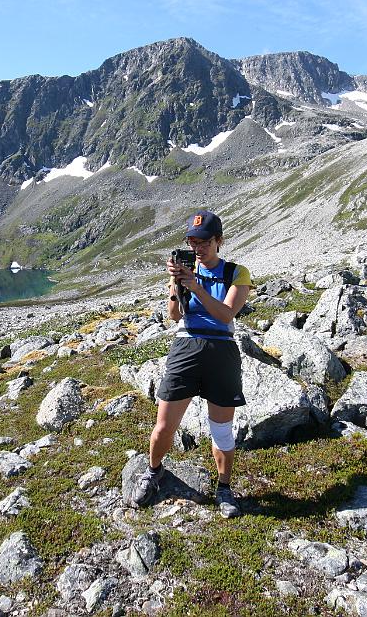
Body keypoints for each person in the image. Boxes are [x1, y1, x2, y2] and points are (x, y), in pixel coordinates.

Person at [131, 210, 253, 518]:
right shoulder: (184, 272)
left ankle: (224, 488)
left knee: (221, 431)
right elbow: (174, 316)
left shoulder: (236, 273)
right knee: (163, 427)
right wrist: (176, 285)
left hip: (222, 351)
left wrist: (197, 286)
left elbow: (227, 315)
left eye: (204, 242)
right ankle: (153, 470)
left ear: (218, 241)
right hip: (186, 346)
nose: (197, 248)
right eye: (192, 241)